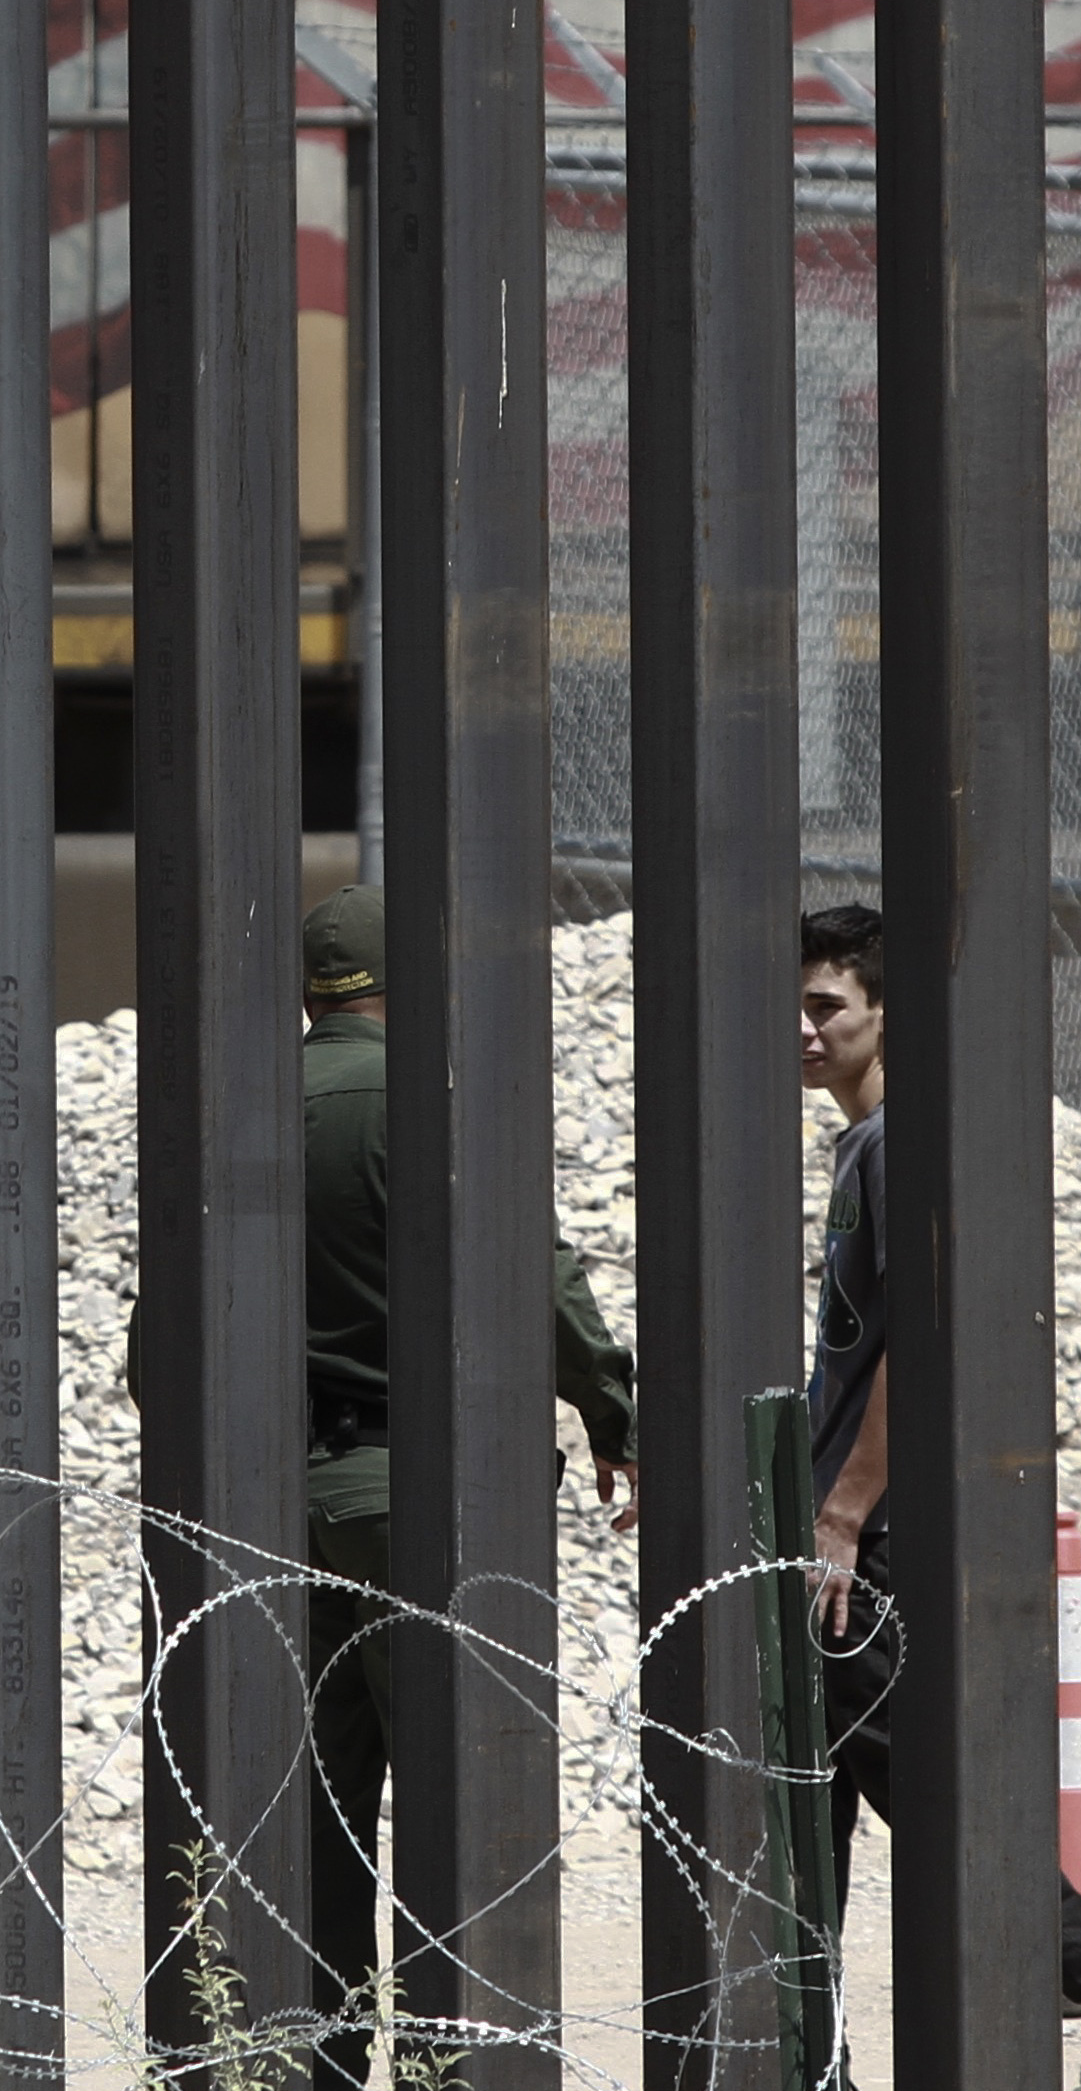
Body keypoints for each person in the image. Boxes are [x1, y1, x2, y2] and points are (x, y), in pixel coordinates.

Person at [288, 885, 637, 2090]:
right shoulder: (427, 1102)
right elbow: (530, 1270)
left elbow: (155, 1333)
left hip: (283, 1503)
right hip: (423, 1501)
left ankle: (314, 2064)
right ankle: (456, 2064)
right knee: (453, 1805)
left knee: (312, 1823)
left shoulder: (242, 1102)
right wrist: (612, 1410)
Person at [796, 903, 1081, 2090]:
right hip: (852, 1532)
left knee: (916, 1782)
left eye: (824, 1006)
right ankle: (813, 2056)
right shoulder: (859, 1146)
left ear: (884, 1011)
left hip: (872, 1541)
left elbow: (914, 1346)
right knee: (817, 1801)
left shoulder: (897, 1146)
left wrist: (841, 1510)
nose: (801, 1030)